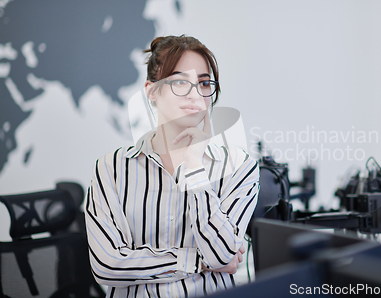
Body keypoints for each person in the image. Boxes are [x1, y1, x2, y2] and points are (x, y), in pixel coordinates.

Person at [85, 35, 260, 297]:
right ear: (151, 91)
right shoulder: (111, 168)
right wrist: (197, 261)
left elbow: (223, 256)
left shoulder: (239, 166)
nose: (195, 94)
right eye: (180, 81)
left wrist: (193, 167)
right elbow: (107, 265)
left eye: (203, 83)